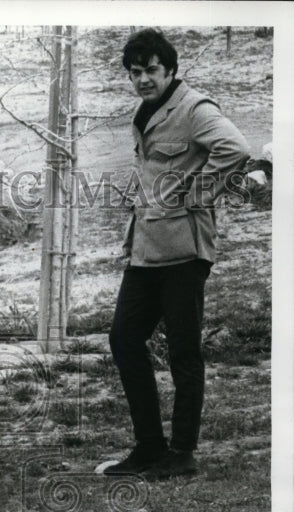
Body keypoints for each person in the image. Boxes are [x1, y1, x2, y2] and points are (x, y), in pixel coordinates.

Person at [105, 29, 250, 479]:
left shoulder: (194, 108)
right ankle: (149, 446)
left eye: (151, 70)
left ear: (170, 70)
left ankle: (182, 452)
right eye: (135, 72)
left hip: (185, 249)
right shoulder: (146, 111)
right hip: (146, 249)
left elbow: (236, 149)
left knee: (183, 351)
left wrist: (196, 194)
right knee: (124, 338)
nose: (143, 79)